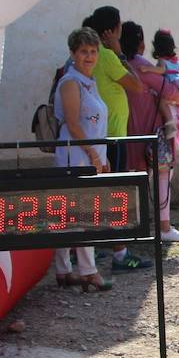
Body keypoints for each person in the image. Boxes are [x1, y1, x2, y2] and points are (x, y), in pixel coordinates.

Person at [84, 5, 151, 271]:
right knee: (115, 195)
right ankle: (120, 253)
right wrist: (120, 52)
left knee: (94, 194)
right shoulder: (108, 57)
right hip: (112, 137)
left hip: (95, 137)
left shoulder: (84, 55)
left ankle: (88, 249)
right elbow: (137, 86)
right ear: (111, 31)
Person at [53, 27, 113, 292]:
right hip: (75, 156)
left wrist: (103, 155)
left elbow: (96, 125)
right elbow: (74, 124)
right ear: (73, 54)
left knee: (71, 214)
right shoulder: (70, 82)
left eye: (93, 51)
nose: (89, 56)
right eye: (83, 52)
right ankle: (88, 271)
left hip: (90, 154)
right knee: (82, 213)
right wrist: (92, 154)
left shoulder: (90, 81)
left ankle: (64, 269)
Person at [119, 22, 179, 243]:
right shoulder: (141, 66)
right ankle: (164, 227)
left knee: (130, 182)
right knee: (163, 176)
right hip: (151, 135)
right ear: (140, 43)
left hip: (126, 134)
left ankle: (128, 230)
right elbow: (173, 91)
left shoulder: (118, 65)